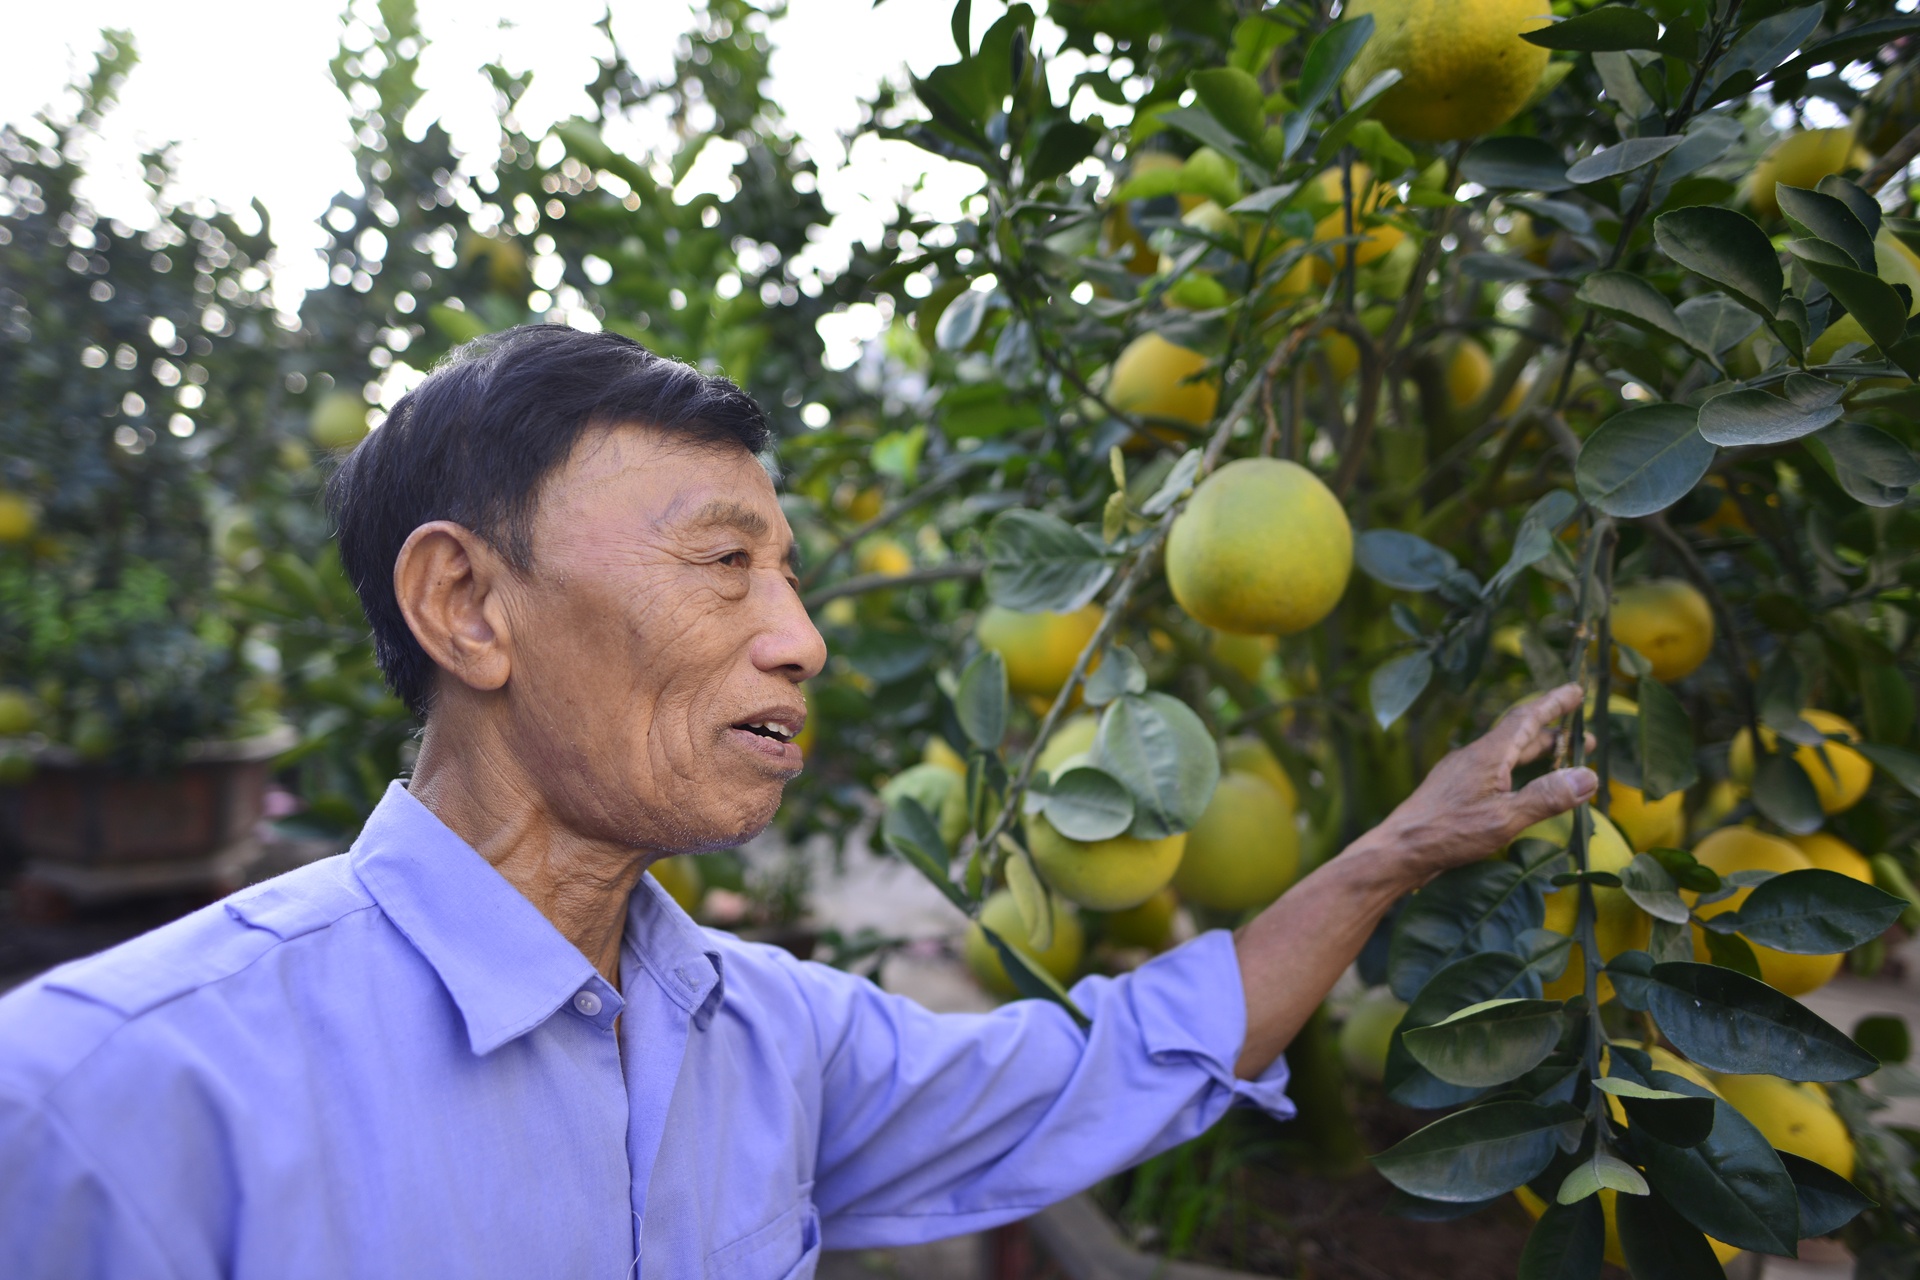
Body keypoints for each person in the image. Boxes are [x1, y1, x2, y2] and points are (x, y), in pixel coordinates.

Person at [0, 326, 1596, 1278]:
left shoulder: (770, 1045)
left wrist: (1399, 851)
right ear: (468, 607)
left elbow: (1113, 1063)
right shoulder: (109, 1097)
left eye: (792, 571)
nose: (805, 638)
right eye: (724, 561)